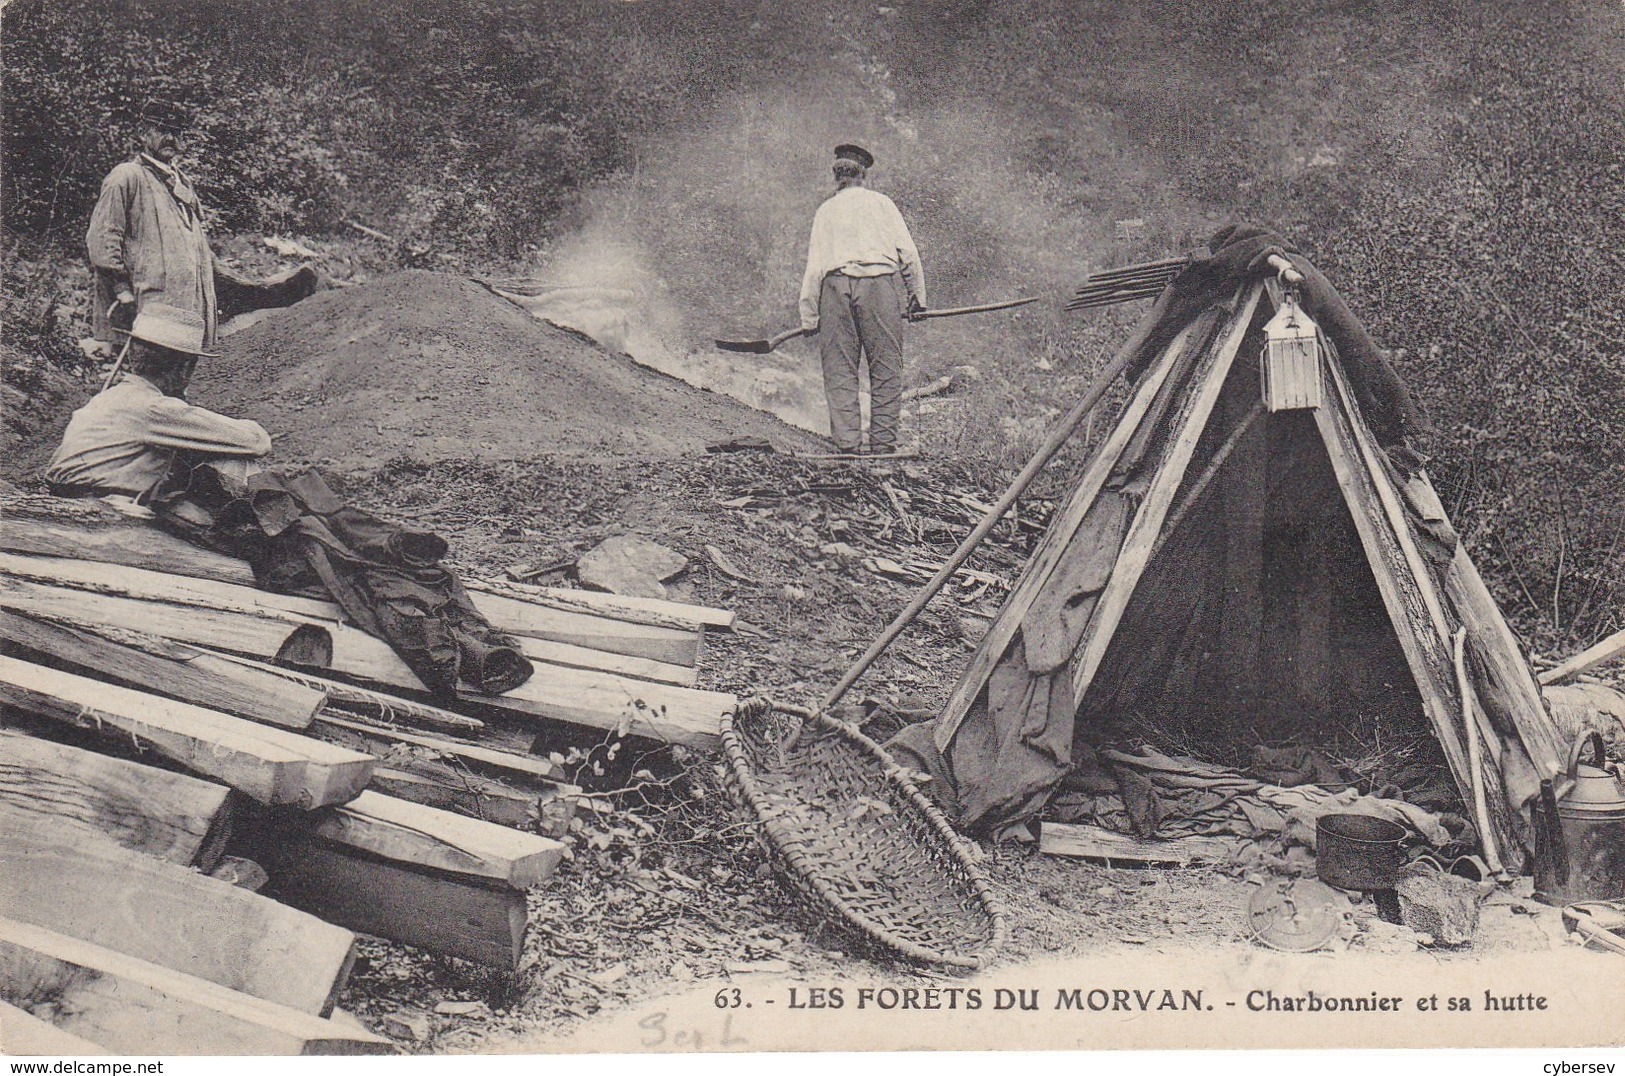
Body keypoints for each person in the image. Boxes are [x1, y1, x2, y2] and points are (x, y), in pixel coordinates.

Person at [45, 305, 270, 500]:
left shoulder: (110, 397)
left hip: (69, 496)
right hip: (106, 508)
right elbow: (256, 442)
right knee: (238, 465)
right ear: (184, 368)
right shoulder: (155, 408)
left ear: (133, 356)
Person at [798, 144, 926, 455]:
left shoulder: (825, 211)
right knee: (885, 368)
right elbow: (908, 255)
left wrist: (809, 314)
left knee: (840, 369)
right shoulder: (882, 204)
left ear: (836, 176)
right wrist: (917, 299)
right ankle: (882, 447)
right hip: (878, 289)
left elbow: (814, 267)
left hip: (834, 291)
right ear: (863, 174)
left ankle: (848, 446)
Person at [86, 102, 218, 354]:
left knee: (173, 384)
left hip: (181, 310)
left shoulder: (183, 183)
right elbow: (102, 240)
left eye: (176, 132)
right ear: (143, 133)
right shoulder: (126, 176)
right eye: (160, 129)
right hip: (142, 309)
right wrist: (121, 290)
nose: (170, 138)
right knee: (136, 380)